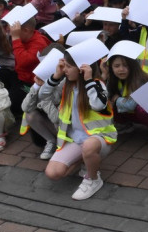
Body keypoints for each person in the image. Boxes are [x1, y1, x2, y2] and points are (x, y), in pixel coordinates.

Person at [43, 51, 117, 201]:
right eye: (65, 66)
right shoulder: (67, 85)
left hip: (99, 139)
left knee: (89, 146)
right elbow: (43, 96)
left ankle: (93, 179)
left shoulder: (97, 84)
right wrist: (55, 77)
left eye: (69, 67)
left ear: (82, 69)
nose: (65, 70)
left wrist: (89, 80)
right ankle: (86, 161)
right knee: (53, 173)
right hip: (75, 140)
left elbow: (98, 105)